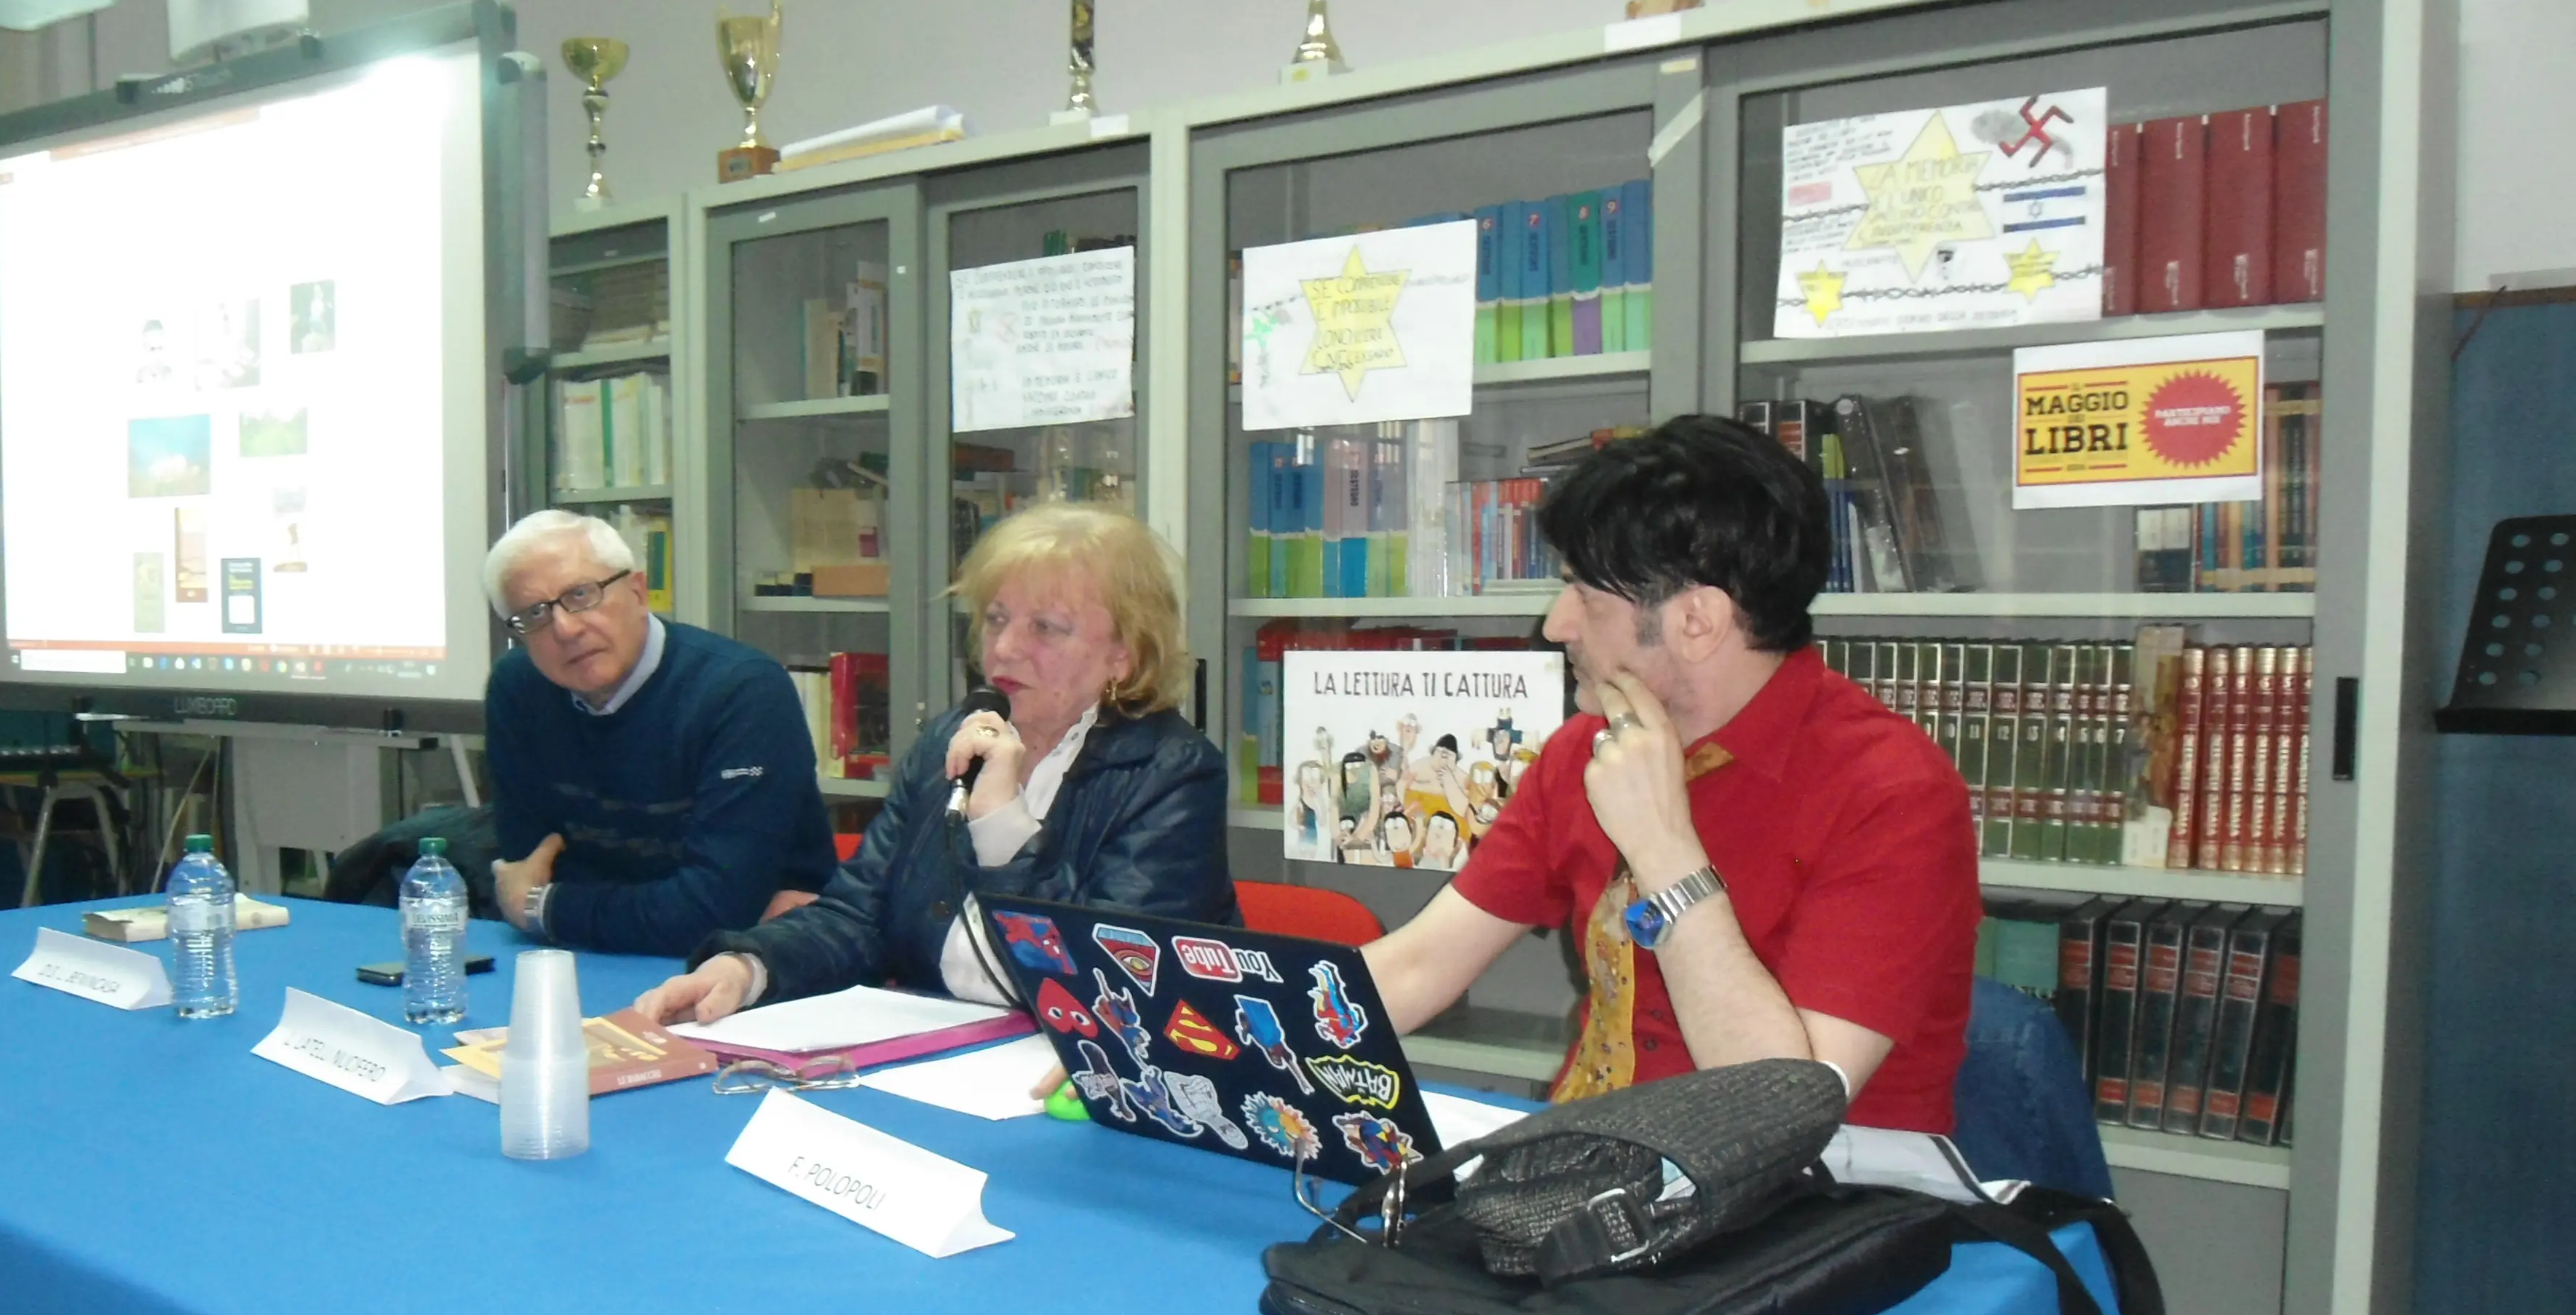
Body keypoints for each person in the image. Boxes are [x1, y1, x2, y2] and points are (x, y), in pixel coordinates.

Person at [1362, 414, 1980, 1132]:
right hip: (1597, 1165)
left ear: (1696, 621)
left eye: (1584, 596)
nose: (1556, 624)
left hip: (1818, 1200)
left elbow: (1776, 1117)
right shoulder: (1585, 748)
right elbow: (1416, 969)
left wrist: (1662, 847)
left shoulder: (1893, 793)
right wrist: (1228, 1028)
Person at [635, 501, 1234, 1027]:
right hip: (935, 1053)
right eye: (997, 618)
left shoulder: (1171, 773)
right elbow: (856, 916)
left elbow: (1112, 981)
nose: (1003, 648)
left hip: (1063, 1080)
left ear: (1122, 657)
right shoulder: (950, 740)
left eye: (1046, 628)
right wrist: (749, 967)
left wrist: (1000, 822)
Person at [481, 510, 834, 958]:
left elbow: (716, 911)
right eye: (534, 615)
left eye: (581, 595)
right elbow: (528, 864)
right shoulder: (519, 690)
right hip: (586, 958)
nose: (566, 629)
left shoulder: (741, 692)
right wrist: (661, 911)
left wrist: (542, 907)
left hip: (751, 971)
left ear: (638, 591)